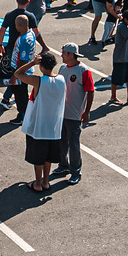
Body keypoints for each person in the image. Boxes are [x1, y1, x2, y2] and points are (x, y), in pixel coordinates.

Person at [17, 50, 67, 193]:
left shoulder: (39, 81)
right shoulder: (61, 80)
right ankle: (46, 181)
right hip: (54, 127)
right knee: (49, 157)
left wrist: (32, 63)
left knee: (38, 157)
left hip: (38, 126)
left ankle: (38, 183)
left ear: (41, 66)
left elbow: (18, 74)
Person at [56, 44, 95, 185]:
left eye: (64, 53)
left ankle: (75, 171)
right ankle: (63, 166)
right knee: (61, 141)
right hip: (62, 113)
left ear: (71, 55)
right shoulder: (63, 69)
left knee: (73, 144)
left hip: (75, 115)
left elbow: (90, 91)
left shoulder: (83, 71)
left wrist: (87, 111)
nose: (61, 55)